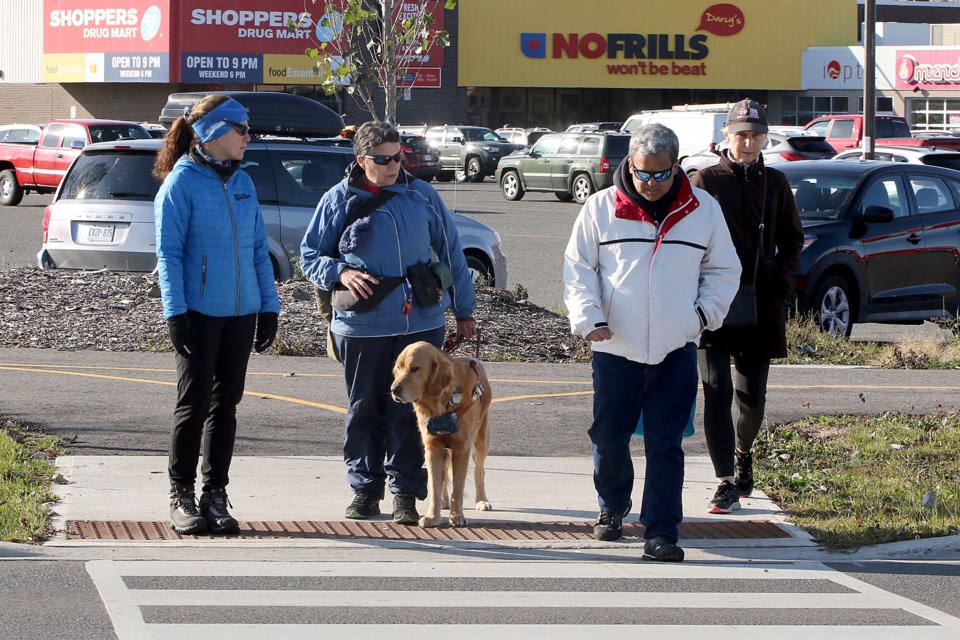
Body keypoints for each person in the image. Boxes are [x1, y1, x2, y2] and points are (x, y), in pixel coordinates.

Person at [563, 123, 740, 562]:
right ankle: (612, 508)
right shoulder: (601, 207)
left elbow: (723, 271)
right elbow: (579, 270)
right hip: (614, 348)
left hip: (674, 349)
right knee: (609, 438)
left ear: (676, 166)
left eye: (663, 174)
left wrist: (698, 318)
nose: (653, 183)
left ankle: (661, 532)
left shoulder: (703, 210)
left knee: (665, 443)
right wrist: (588, 320)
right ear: (630, 164)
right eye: (644, 173)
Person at [300, 121, 477, 524]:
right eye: (383, 159)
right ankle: (364, 489)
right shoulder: (337, 200)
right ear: (361, 160)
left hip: (420, 323)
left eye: (398, 156)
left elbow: (452, 252)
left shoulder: (422, 195)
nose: (394, 164)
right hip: (362, 325)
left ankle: (406, 494)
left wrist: (464, 311)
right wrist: (340, 273)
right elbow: (309, 255)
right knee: (364, 408)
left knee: (417, 411)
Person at [154, 95, 280, 535]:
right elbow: (168, 255)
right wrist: (176, 313)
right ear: (212, 133)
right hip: (199, 312)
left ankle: (215, 494)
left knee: (225, 406)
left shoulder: (243, 182)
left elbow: (258, 252)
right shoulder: (181, 184)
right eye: (241, 128)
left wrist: (269, 307)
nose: (249, 136)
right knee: (193, 404)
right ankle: (181, 494)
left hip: (241, 313)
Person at [690, 99, 804, 514]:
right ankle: (725, 481)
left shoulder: (775, 182)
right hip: (713, 303)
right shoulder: (705, 180)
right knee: (716, 392)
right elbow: (688, 239)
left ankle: (743, 453)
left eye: (757, 134)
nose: (750, 141)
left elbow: (794, 238)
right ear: (727, 135)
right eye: (742, 133)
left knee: (752, 398)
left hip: (761, 303)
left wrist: (781, 281)